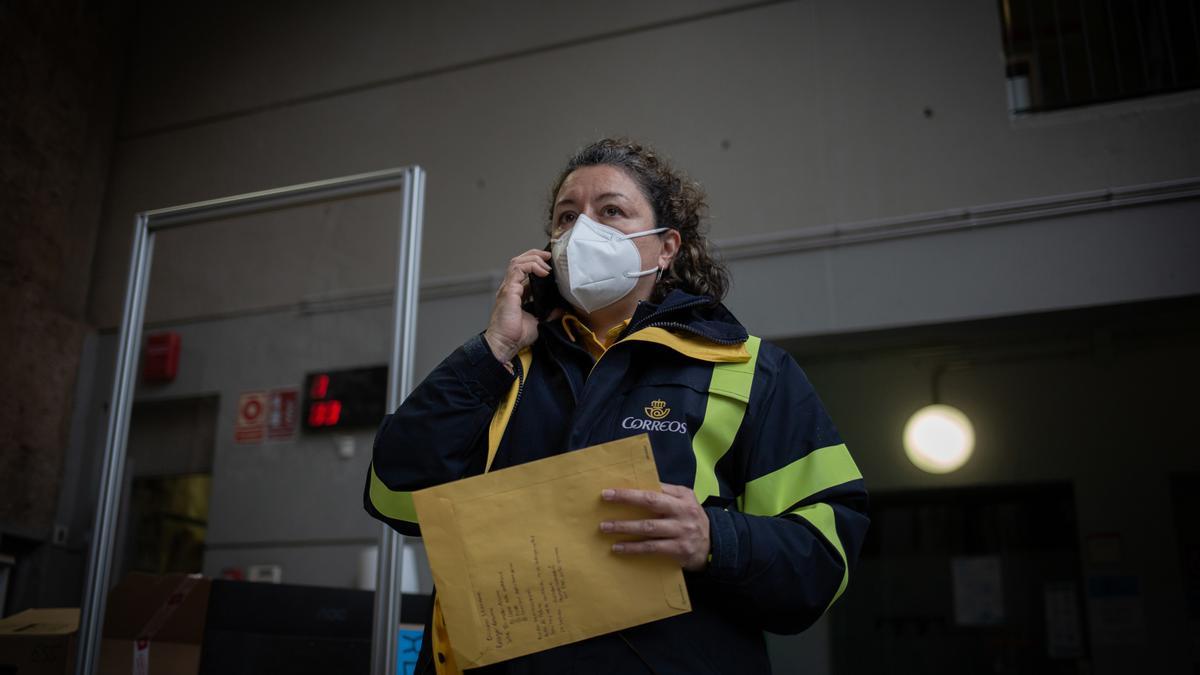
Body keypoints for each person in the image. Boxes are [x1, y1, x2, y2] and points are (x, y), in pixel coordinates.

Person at [365, 138, 869, 674]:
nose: (582, 232)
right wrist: (490, 351)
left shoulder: (749, 371)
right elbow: (395, 493)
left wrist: (714, 538)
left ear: (667, 247)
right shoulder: (501, 367)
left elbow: (825, 555)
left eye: (611, 211)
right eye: (565, 217)